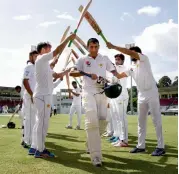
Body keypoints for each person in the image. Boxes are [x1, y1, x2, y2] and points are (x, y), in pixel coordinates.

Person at [70, 38, 123, 167]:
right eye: (91, 47)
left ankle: (90, 143)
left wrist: (116, 77)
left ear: (98, 47)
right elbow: (72, 72)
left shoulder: (104, 58)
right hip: (88, 91)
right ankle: (96, 156)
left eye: (96, 47)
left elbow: (113, 70)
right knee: (92, 119)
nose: (93, 49)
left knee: (103, 120)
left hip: (102, 91)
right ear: (88, 47)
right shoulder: (82, 59)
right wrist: (88, 74)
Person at [106, 42, 165, 156]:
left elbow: (129, 52)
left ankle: (160, 147)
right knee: (141, 121)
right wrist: (111, 69)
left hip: (152, 92)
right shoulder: (131, 67)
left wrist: (114, 47)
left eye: (132, 53)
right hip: (141, 94)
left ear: (137, 53)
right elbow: (119, 76)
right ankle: (140, 146)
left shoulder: (144, 59)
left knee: (156, 120)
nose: (130, 55)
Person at [29, 33, 76, 158]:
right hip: (43, 96)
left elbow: (57, 75)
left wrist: (68, 70)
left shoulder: (45, 64)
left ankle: (34, 147)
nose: (50, 49)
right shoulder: (41, 58)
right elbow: (57, 50)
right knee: (43, 124)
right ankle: (41, 150)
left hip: (43, 95)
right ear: (42, 50)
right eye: (48, 47)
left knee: (39, 123)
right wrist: (69, 39)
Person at [109, 54, 129, 147]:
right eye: (115, 59)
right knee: (117, 118)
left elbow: (119, 77)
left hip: (122, 95)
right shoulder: (115, 68)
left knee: (122, 118)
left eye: (118, 59)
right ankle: (120, 138)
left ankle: (124, 140)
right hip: (116, 96)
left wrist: (113, 69)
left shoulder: (123, 68)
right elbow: (112, 81)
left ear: (122, 61)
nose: (117, 61)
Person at [22, 50, 38, 148]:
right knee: (29, 119)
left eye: (37, 56)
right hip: (29, 96)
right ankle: (27, 140)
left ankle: (29, 140)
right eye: (35, 56)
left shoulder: (36, 68)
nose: (36, 58)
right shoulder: (29, 67)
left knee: (33, 119)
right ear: (30, 56)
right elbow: (25, 81)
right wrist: (31, 94)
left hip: (34, 96)